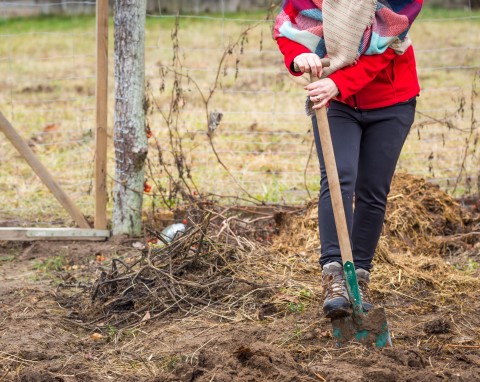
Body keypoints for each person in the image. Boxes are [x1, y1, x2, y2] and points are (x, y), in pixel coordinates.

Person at [275, 0, 423, 319]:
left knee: (372, 190)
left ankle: (361, 277)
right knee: (338, 177)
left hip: (391, 102)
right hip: (336, 103)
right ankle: (335, 279)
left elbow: (384, 50)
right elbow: (288, 24)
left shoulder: (396, 4)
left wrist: (339, 81)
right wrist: (298, 55)